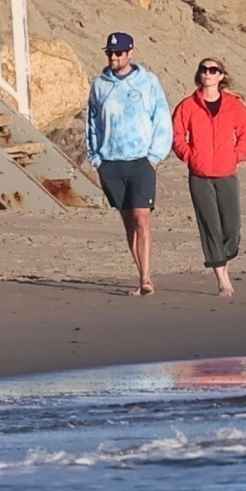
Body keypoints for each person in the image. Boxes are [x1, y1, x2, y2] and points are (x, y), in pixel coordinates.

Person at [86, 32, 173, 296]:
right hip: (111, 162)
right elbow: (92, 124)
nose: (114, 57)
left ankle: (146, 278)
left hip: (141, 161)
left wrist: (154, 157)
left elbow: (162, 119)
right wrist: (96, 159)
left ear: (130, 53)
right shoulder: (100, 84)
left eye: (119, 53)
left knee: (141, 219)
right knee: (128, 223)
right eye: (110, 53)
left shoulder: (147, 82)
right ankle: (141, 275)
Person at [172, 57, 246, 297]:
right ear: (199, 75)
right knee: (209, 225)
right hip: (199, 176)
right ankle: (222, 279)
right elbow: (177, 135)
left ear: (220, 76)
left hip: (227, 173)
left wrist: (236, 155)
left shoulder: (233, 105)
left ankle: (224, 258)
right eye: (204, 70)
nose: (207, 74)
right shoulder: (187, 106)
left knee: (232, 227)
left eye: (213, 70)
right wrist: (189, 156)